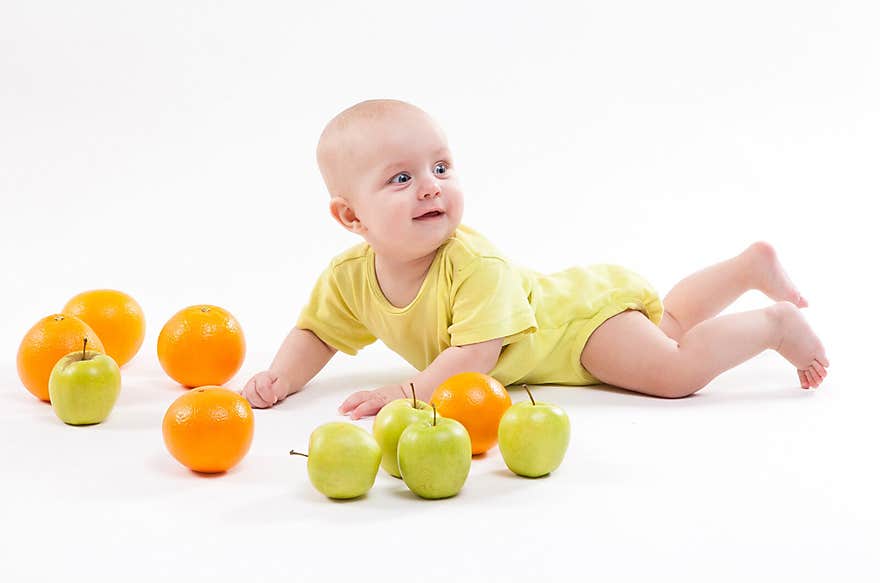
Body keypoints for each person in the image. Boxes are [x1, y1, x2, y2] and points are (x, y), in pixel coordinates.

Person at [241, 99, 829, 419]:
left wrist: (409, 393)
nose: (431, 187)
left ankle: (776, 325)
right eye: (401, 178)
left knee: (673, 372)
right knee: (669, 323)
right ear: (351, 217)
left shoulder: (474, 264)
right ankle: (749, 267)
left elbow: (476, 353)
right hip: (571, 309)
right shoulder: (348, 279)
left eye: (440, 168)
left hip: (575, 329)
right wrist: (282, 378)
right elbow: (316, 332)